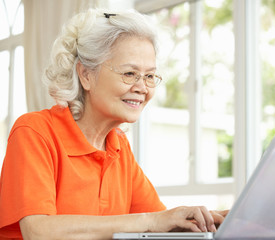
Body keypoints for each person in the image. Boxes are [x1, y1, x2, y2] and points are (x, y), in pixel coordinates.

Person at [0, 8, 228, 240]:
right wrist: (151, 221)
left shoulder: (118, 146)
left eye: (150, 76)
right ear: (86, 75)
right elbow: (39, 232)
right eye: (130, 73)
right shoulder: (35, 132)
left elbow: (161, 222)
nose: (143, 87)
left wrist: (218, 219)